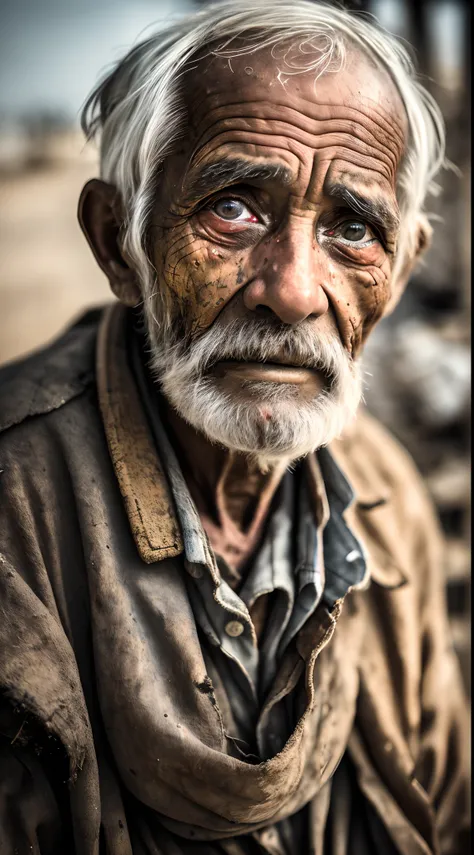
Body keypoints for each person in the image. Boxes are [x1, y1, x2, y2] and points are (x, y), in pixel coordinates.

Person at [0, 1, 469, 853]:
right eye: (234, 209)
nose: (293, 291)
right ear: (119, 242)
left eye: (353, 229)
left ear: (399, 276)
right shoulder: (13, 519)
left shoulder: (388, 492)